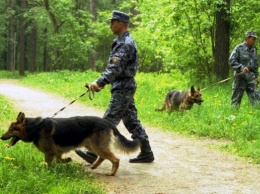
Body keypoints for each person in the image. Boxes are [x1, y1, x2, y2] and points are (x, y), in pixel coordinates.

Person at [75, 10, 154, 163]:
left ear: (120, 23)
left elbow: (115, 68)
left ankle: (92, 153)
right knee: (131, 120)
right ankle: (147, 152)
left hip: (123, 87)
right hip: (124, 86)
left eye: (112, 22)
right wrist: (105, 82)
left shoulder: (124, 43)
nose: (110, 25)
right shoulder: (123, 41)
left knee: (107, 121)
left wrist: (100, 82)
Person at [229, 30, 260, 108]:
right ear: (247, 38)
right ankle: (232, 118)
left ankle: (257, 117)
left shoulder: (254, 50)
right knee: (235, 102)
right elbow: (231, 60)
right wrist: (241, 67)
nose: (254, 41)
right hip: (240, 79)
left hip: (251, 78)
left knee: (257, 100)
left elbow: (255, 64)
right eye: (253, 39)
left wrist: (256, 76)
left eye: (255, 39)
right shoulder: (239, 48)